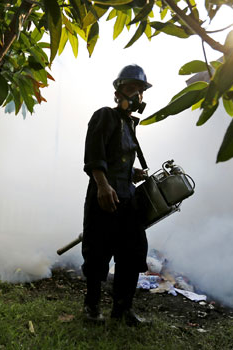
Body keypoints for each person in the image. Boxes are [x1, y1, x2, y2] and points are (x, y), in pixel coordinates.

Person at [81, 64, 152, 326]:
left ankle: (122, 309)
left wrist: (131, 173)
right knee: (97, 252)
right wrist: (102, 185)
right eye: (132, 89)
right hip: (104, 196)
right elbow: (94, 156)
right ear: (118, 92)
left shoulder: (129, 124)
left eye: (141, 90)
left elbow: (115, 158)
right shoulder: (105, 116)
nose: (137, 95)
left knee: (133, 252)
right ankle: (92, 307)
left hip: (126, 197)